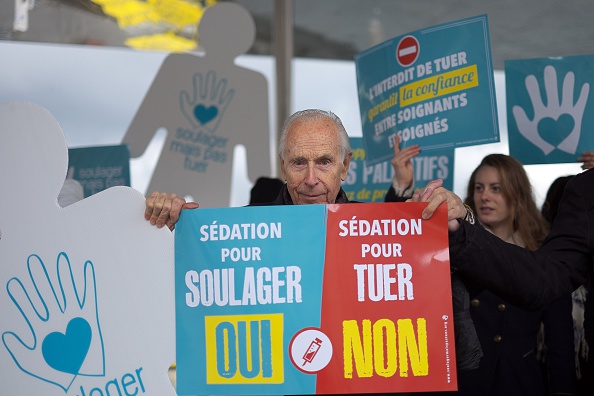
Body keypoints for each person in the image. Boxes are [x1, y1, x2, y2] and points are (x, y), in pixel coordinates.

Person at [145, 108, 482, 374]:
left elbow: (460, 294)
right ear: (282, 166)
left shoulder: (387, 228)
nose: (310, 180)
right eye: (298, 163)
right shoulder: (237, 231)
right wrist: (169, 226)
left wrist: (461, 217)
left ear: (345, 166)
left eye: (324, 162)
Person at [454, 154, 575, 395]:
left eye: (495, 188)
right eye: (479, 188)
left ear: (517, 194)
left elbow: (559, 341)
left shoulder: (542, 256)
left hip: (517, 380)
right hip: (466, 381)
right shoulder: (456, 250)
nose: (484, 196)